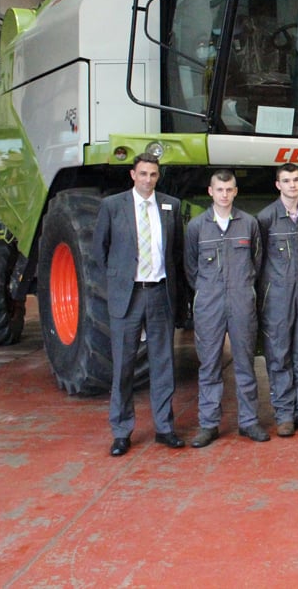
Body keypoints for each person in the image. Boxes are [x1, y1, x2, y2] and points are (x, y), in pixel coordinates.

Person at [94, 153, 184, 457]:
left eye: (153, 174)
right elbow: (99, 252)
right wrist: (118, 283)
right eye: (143, 174)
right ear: (133, 175)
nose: (148, 180)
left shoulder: (171, 205)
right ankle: (121, 431)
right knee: (123, 365)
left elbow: (177, 253)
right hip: (127, 295)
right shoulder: (112, 206)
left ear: (158, 177)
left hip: (160, 293)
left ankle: (164, 427)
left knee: (163, 363)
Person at [184, 169, 269, 448]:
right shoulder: (197, 227)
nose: (224, 194)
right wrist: (209, 291)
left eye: (229, 189)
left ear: (235, 192)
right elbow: (190, 268)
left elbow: (256, 263)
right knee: (209, 365)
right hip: (209, 304)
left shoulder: (249, 224)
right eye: (219, 190)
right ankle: (208, 424)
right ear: (211, 192)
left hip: (242, 301)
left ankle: (249, 422)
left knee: (245, 362)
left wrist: (241, 288)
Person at [257, 163, 298, 437]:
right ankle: (284, 414)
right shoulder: (266, 218)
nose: (292, 185)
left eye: (296, 180)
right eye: (286, 180)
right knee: (279, 355)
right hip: (278, 299)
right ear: (278, 185)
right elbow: (257, 262)